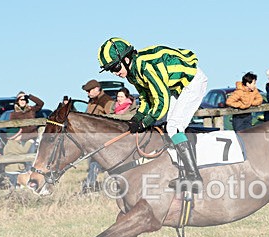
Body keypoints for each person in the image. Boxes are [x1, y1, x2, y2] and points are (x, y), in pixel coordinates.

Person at [98, 37, 208, 193]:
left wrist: (146, 121)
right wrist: (137, 118)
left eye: (115, 67)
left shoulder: (145, 67)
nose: (115, 73)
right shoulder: (132, 73)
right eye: (111, 70)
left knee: (174, 127)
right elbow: (145, 97)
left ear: (127, 58)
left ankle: (194, 177)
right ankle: (182, 172)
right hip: (176, 87)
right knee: (168, 126)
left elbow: (161, 100)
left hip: (192, 82)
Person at [80, 79, 115, 193]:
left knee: (101, 162)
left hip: (103, 138)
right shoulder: (92, 102)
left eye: (89, 91)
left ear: (96, 89)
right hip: (93, 138)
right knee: (95, 162)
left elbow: (110, 120)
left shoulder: (107, 101)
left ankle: (92, 186)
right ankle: (91, 185)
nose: (88, 93)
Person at [3, 91, 44, 186]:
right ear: (17, 101)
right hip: (20, 139)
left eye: (24, 99)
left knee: (31, 160)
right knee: (22, 160)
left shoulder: (31, 109)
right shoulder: (14, 114)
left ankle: (32, 180)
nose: (23, 101)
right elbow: (12, 128)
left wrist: (29, 96)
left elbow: (40, 104)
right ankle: (21, 182)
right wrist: (18, 135)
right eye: (20, 99)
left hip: (31, 137)